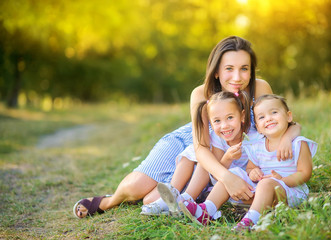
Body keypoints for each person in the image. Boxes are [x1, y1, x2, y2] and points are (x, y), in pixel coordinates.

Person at [73, 36, 301, 219]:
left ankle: (174, 194)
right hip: (191, 141)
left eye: (244, 69)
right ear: (217, 71)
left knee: (149, 200)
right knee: (136, 186)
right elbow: (200, 146)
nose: (237, 77)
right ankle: (109, 201)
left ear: (252, 70)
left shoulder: (260, 87)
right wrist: (227, 178)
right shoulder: (200, 94)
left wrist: (286, 137)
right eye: (229, 68)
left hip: (223, 147)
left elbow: (286, 122)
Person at [178, 94, 317, 231]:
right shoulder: (257, 144)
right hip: (261, 193)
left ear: (289, 116)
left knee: (266, 183)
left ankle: (251, 220)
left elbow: (305, 173)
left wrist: (283, 180)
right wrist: (253, 173)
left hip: (289, 192)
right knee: (233, 173)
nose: (268, 119)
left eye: (274, 113)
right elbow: (251, 168)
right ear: (258, 126)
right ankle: (206, 210)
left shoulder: (298, 143)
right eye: (262, 117)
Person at [140, 90, 253, 216]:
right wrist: (227, 158)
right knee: (202, 156)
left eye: (230, 118)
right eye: (217, 121)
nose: (224, 126)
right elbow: (216, 174)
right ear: (210, 122)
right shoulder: (217, 138)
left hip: (236, 183)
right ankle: (182, 197)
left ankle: (184, 200)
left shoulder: (253, 137)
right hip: (220, 177)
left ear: (242, 116)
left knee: (205, 159)